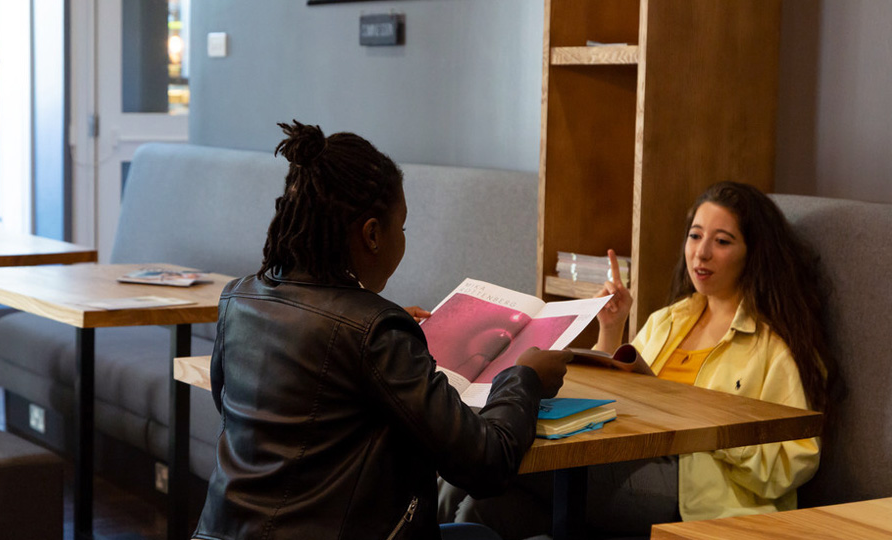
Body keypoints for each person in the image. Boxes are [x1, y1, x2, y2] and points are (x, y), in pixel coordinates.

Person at [192, 120, 571, 540]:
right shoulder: (373, 331)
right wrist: (525, 378)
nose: (402, 238)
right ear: (373, 234)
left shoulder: (239, 299)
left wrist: (382, 338)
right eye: (402, 227)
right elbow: (486, 464)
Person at [438, 181, 833, 539]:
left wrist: (707, 426)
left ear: (753, 254)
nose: (702, 252)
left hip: (698, 489)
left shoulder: (772, 347)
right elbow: (620, 402)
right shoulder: (669, 320)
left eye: (723, 241)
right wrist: (611, 330)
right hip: (630, 457)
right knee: (480, 505)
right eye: (695, 236)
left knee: (485, 458)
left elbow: (792, 464)